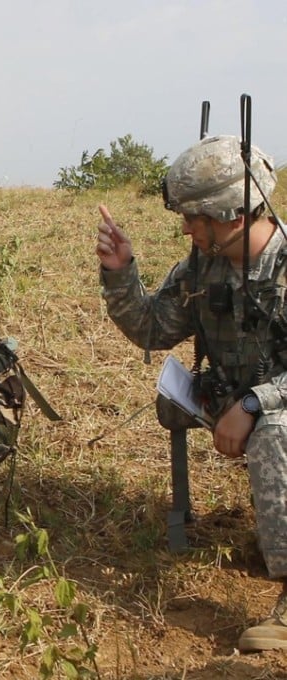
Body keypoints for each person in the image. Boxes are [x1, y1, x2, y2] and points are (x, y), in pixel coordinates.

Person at [95, 134, 287, 652]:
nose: (185, 227)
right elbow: (154, 328)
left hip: (275, 411)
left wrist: (253, 405)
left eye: (194, 217)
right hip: (234, 400)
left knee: (275, 433)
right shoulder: (204, 267)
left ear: (231, 213)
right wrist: (120, 274)